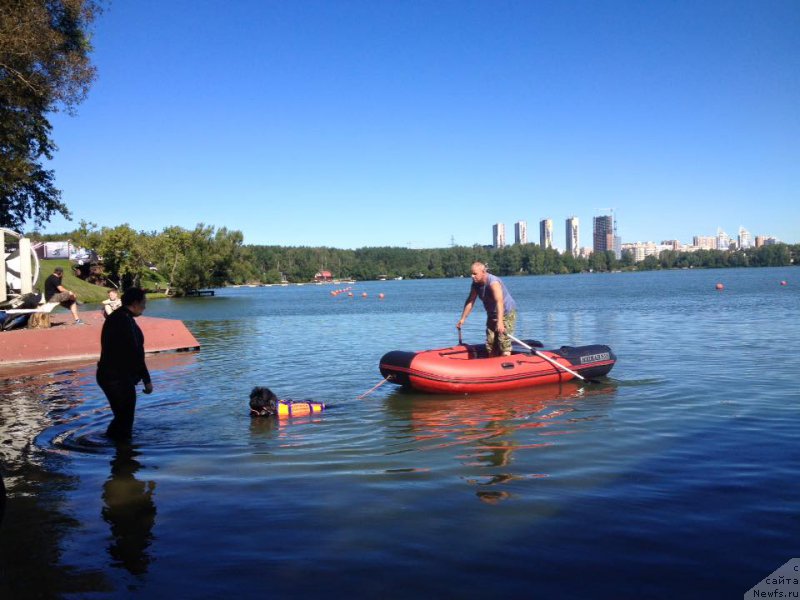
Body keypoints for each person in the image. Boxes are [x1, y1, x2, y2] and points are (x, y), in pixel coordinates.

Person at [96, 287, 153, 440]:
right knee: (125, 418)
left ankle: (113, 446)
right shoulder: (124, 320)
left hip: (109, 374)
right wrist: (146, 380)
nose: (145, 307)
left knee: (122, 417)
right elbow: (136, 352)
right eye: (143, 303)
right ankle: (122, 447)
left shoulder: (119, 317)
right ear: (135, 303)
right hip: (116, 377)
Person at [456, 262, 518, 357]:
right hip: (492, 314)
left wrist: (500, 322)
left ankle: (506, 359)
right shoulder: (476, 284)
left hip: (506, 312)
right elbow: (470, 301)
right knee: (490, 343)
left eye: (475, 274)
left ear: (483, 272)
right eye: (471, 273)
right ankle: (492, 361)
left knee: (503, 341)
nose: (472, 276)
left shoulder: (493, 282)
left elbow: (499, 302)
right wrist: (463, 319)